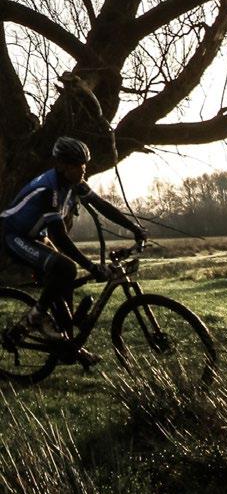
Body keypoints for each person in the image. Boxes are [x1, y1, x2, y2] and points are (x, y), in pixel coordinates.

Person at [1, 137, 147, 364]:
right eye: (78, 165)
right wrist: (90, 266)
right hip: (11, 235)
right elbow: (59, 236)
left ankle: (69, 346)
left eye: (85, 164)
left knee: (64, 283)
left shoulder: (73, 184)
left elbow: (102, 206)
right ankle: (37, 317)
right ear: (62, 165)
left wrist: (134, 228)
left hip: (34, 236)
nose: (83, 169)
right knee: (66, 268)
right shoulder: (48, 189)